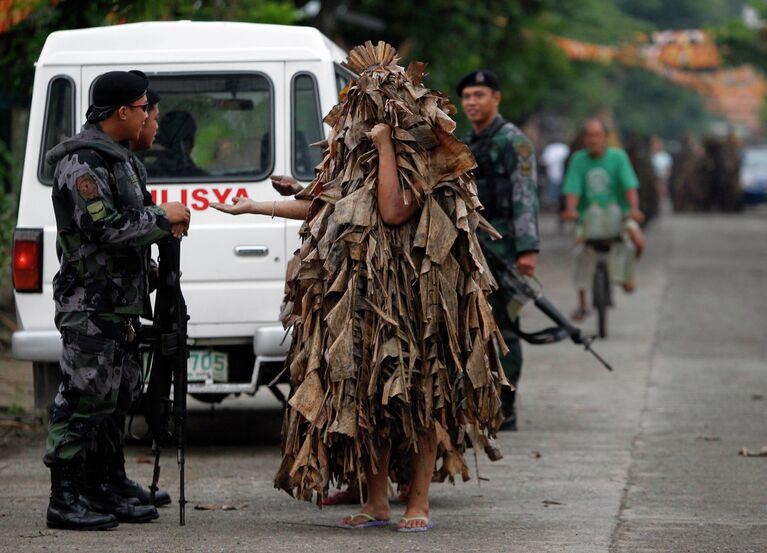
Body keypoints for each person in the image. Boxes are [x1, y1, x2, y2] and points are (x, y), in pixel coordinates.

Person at [212, 42, 507, 532]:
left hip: (416, 296)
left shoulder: (430, 156)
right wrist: (258, 207)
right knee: (366, 395)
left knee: (417, 396)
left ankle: (418, 503)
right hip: (361, 291)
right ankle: (376, 502)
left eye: (372, 112)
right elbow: (332, 208)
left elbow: (392, 211)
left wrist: (389, 145)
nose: (362, 122)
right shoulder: (361, 154)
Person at [43, 70, 190, 530]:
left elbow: (126, 227)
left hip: (119, 304)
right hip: (90, 306)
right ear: (123, 112)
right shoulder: (83, 163)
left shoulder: (120, 160)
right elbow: (104, 228)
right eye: (144, 107)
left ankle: (104, 483)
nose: (149, 115)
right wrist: (162, 218)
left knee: (117, 395)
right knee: (83, 397)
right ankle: (64, 497)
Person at [456, 69, 540, 431]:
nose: (472, 102)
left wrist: (527, 249)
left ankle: (506, 405)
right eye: (468, 96)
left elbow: (525, 195)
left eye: (480, 95)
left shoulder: (513, 141)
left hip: (505, 251)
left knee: (505, 326)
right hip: (473, 248)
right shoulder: (465, 143)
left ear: (496, 98)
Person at [560, 118, 644, 320]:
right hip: (588, 217)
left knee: (638, 241)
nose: (594, 139)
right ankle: (582, 303)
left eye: (598, 135)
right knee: (579, 250)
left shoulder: (618, 157)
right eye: (589, 135)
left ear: (605, 137)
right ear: (584, 138)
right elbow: (572, 189)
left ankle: (627, 275)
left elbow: (629, 187)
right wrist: (571, 210)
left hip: (619, 214)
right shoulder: (578, 159)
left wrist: (633, 209)